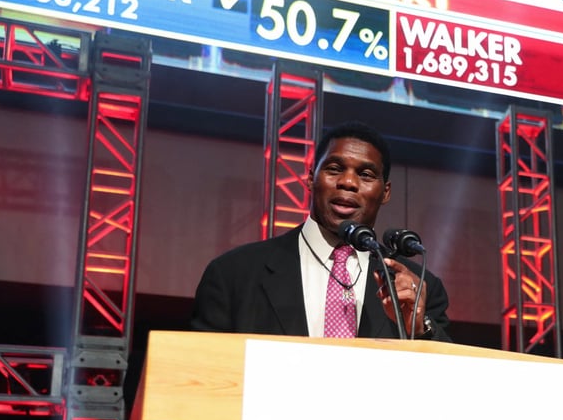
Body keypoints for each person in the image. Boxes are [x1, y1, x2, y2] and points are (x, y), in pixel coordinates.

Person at [191, 120, 451, 341]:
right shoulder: (233, 274)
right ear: (310, 178)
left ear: (385, 192)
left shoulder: (420, 287)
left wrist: (419, 327)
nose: (347, 182)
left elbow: (449, 375)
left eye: (366, 174)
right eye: (334, 169)